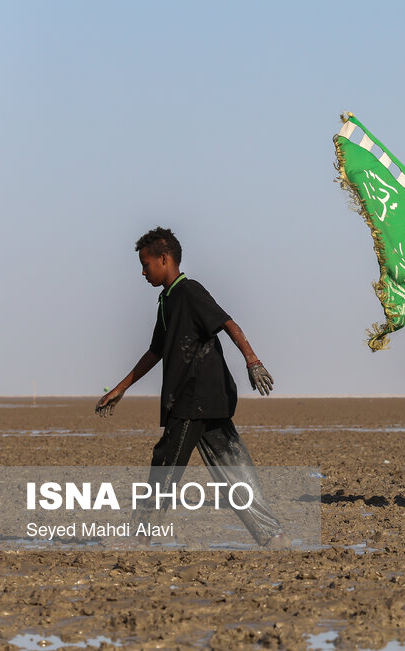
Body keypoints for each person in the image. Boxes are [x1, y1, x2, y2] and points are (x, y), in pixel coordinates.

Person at [95, 227, 286, 547]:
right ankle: (274, 535)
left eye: (146, 264)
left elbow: (228, 323)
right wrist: (121, 388)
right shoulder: (166, 300)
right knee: (231, 467)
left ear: (164, 259)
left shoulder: (189, 291)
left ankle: (138, 538)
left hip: (194, 396)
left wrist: (253, 360)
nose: (142, 272)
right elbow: (156, 350)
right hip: (207, 399)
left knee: (166, 463)